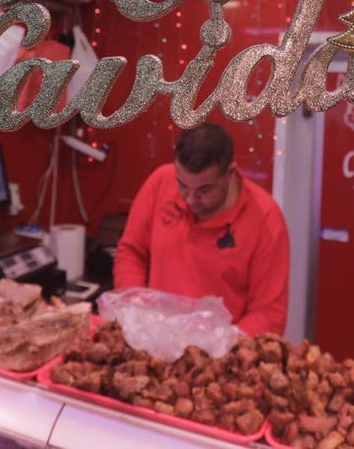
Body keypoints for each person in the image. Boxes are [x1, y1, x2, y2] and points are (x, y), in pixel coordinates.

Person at [113, 122, 290, 336]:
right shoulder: (160, 182)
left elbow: (269, 314)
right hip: (155, 340)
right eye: (182, 185)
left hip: (221, 355)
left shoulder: (266, 219)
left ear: (230, 173)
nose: (190, 199)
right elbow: (132, 252)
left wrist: (221, 348)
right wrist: (136, 309)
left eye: (204, 190)